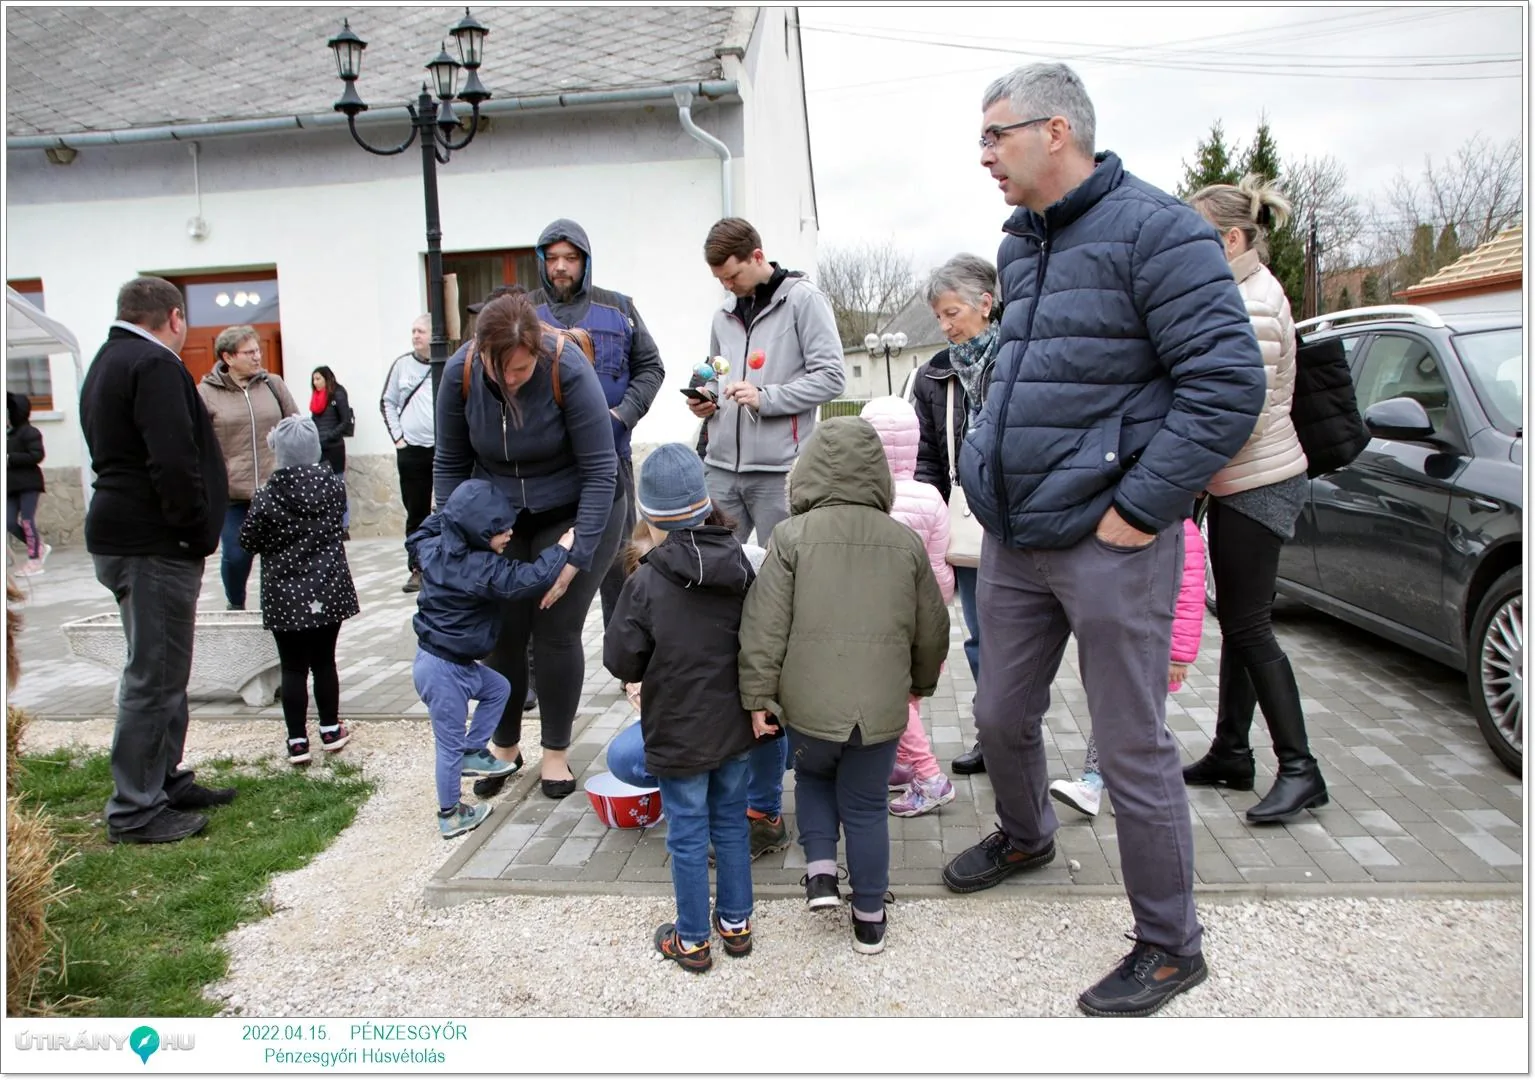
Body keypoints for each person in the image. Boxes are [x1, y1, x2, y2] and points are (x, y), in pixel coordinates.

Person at [943, 63, 1265, 1017]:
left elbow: (1225, 386)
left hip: (1110, 540)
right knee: (1000, 715)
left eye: (996, 134)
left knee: (1130, 747)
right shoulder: (1017, 249)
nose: (985, 154)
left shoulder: (1158, 232)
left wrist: (1139, 510)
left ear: (1056, 131)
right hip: (1014, 535)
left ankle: (1171, 945)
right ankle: (1026, 833)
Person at [738, 417, 950, 955]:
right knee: (866, 805)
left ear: (806, 474)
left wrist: (760, 697)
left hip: (808, 705)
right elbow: (932, 628)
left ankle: (821, 876)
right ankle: (870, 916)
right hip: (879, 710)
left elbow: (764, 627)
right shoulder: (904, 542)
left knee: (811, 781)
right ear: (877, 474)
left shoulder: (788, 538)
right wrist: (919, 685)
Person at [687, 216, 846, 859]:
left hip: (780, 472)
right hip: (720, 467)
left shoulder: (804, 301)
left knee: (782, 598)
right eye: (719, 281)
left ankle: (780, 722)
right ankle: (722, 700)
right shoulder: (725, 312)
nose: (727, 288)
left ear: (758, 257)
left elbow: (832, 379)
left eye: (732, 275)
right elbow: (714, 375)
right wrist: (706, 401)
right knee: (708, 585)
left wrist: (769, 396)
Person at [434, 292, 623, 800]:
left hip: (579, 507)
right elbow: (450, 466)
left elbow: (601, 472)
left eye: (520, 370)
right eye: (503, 371)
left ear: (535, 352)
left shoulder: (568, 368)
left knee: (556, 626)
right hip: (502, 516)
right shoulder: (461, 374)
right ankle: (505, 745)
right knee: (505, 630)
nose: (512, 379)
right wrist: (458, 541)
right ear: (481, 355)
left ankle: (556, 752)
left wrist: (575, 558)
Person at [1183, 174, 1325, 824]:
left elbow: (1239, 411)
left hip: (1257, 482)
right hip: (1244, 478)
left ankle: (1300, 768)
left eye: (1199, 238)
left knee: (1248, 625)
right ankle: (1230, 752)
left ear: (1232, 237)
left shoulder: (1252, 304)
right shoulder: (1239, 291)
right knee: (1240, 621)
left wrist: (1179, 469)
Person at [80, 276, 235, 844]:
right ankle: (135, 808)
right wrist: (195, 530)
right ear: (174, 317)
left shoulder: (107, 360)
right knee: (154, 675)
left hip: (127, 537)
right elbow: (173, 461)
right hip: (152, 544)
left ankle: (163, 779)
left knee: (163, 669)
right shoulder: (152, 363)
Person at [603, 444, 760, 972]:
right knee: (732, 823)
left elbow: (620, 655)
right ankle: (736, 924)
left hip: (677, 732)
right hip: (735, 726)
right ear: (705, 501)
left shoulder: (645, 581)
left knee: (688, 831)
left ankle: (692, 939)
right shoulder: (739, 563)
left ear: (647, 514)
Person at [408, 479, 575, 838]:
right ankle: (450, 814)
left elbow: (419, 532)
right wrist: (562, 548)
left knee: (499, 688)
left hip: (450, 662)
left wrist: (450, 517)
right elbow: (530, 579)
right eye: (501, 531)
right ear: (478, 533)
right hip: (441, 671)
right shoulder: (480, 569)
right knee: (447, 746)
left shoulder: (431, 549)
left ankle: (473, 750)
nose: (510, 534)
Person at [528, 219, 666, 630]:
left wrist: (623, 414)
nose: (561, 267)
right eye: (552, 259)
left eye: (570, 258)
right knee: (541, 564)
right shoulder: (523, 312)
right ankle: (534, 674)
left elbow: (651, 367)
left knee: (619, 565)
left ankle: (625, 660)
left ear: (585, 261)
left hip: (610, 458)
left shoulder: (619, 309)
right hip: (544, 468)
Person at [911, 254, 1002, 776]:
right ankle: (992, 735)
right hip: (964, 521)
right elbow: (926, 454)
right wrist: (931, 511)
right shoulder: (933, 375)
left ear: (985, 304)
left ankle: (1017, 727)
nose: (945, 327)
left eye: (952, 313)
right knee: (978, 635)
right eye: (939, 317)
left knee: (1017, 633)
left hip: (1018, 521)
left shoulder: (1018, 357)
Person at [1049, 516, 1206, 817]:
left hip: (1156, 650)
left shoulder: (1182, 532)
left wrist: (1179, 656)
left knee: (1141, 725)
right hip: (1129, 640)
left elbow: (1190, 598)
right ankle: (1098, 786)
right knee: (1119, 715)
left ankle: (1124, 789)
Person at [237, 416, 359, 766]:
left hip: (284, 594)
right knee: (324, 662)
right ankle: (331, 729)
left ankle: (297, 741)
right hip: (328, 586)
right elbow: (339, 522)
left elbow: (247, 540)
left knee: (292, 668)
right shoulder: (333, 487)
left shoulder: (267, 494)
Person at [605, 535, 768, 790]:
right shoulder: (733, 563)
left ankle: (762, 806)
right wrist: (637, 683)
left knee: (688, 814)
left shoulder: (751, 561)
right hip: (730, 727)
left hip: (721, 723)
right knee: (727, 811)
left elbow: (620, 660)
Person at [859, 395, 957, 818]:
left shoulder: (865, 500)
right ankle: (896, 767)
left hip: (880, 623)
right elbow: (938, 566)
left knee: (895, 701)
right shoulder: (931, 497)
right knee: (907, 699)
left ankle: (930, 777)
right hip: (923, 619)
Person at [197, 324, 299, 611]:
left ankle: (281, 610)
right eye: (249, 352)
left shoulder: (272, 384)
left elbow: (295, 426)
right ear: (228, 358)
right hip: (233, 495)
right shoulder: (205, 393)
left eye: (258, 350)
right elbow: (198, 442)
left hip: (276, 490)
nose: (257, 357)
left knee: (282, 556)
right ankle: (235, 604)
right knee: (236, 555)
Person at [381, 314, 436, 593]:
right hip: (412, 450)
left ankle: (444, 565)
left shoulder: (444, 363)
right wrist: (398, 438)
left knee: (448, 509)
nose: (416, 336)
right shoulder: (402, 366)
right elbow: (387, 402)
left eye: (421, 331)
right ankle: (417, 568)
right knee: (417, 513)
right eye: (413, 331)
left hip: (442, 449)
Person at [7, 391, 50, 576]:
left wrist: (10, 458)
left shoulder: (31, 432)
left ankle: (34, 559)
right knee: (8, 521)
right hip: (10, 486)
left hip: (29, 484)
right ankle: (39, 547)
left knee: (26, 520)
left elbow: (37, 455)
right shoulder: (8, 434)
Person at [309, 365, 353, 538]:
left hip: (334, 448)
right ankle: (326, 525)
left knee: (337, 486)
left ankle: (343, 526)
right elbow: (314, 420)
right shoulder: (316, 398)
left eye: (319, 378)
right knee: (320, 488)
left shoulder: (338, 394)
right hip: (319, 448)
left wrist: (329, 436)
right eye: (314, 379)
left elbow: (345, 421)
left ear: (327, 379)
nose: (316, 382)